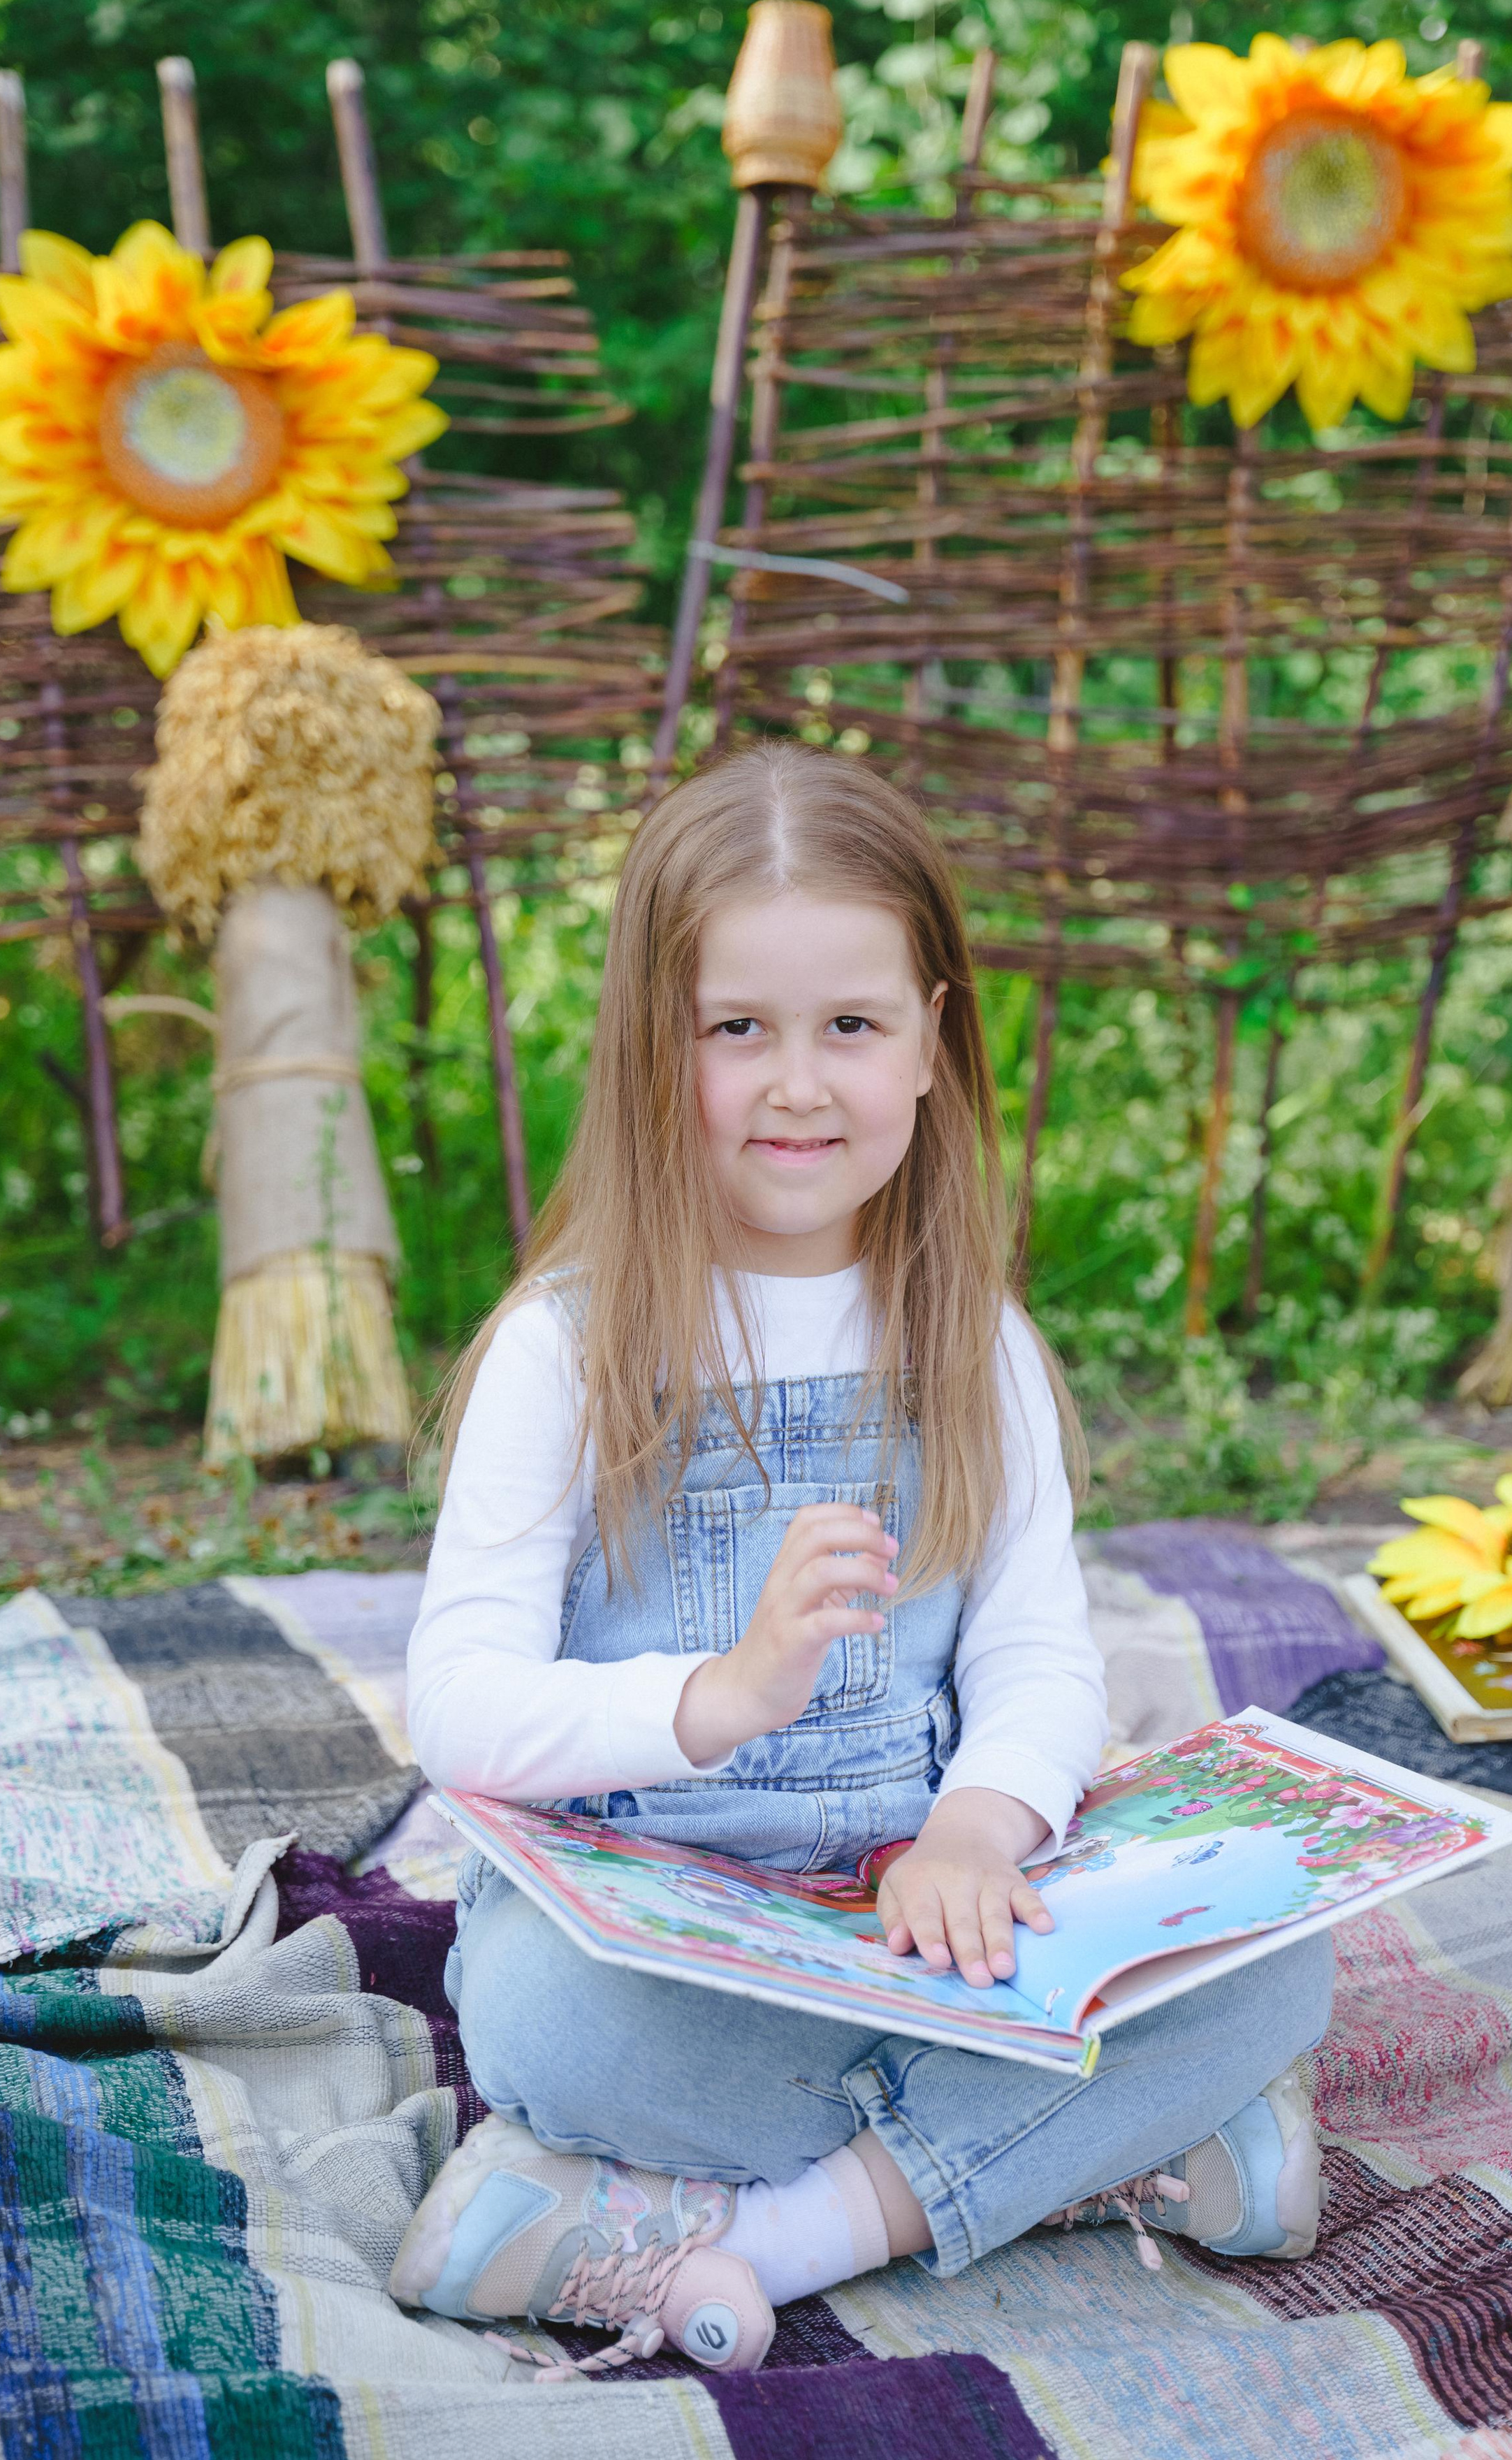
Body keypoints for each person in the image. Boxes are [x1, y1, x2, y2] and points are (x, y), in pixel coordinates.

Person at [392, 744, 1332, 2376]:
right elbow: (461, 1715)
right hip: (660, 1945)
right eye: (735, 1029)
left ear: (927, 1046)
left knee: (1278, 1947)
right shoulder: (569, 1350)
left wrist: (976, 1829)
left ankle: (737, 2233)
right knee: (541, 2019)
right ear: (649, 1049)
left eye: (850, 1026)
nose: (798, 1085)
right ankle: (1100, 2154)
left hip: (924, 1934)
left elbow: (1036, 1662)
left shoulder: (975, 1347)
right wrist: (720, 1695)